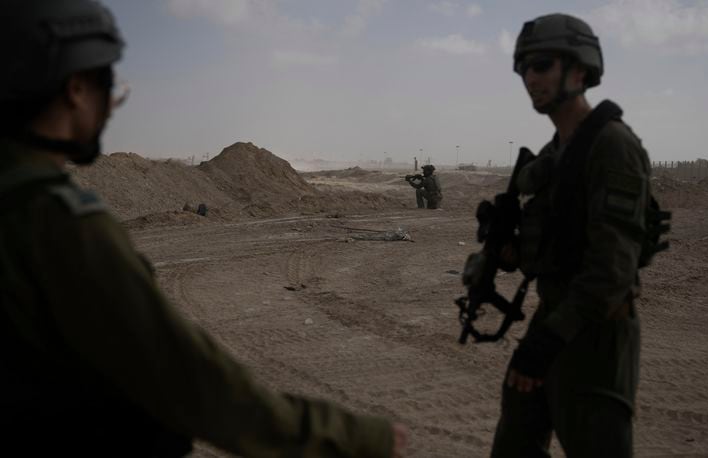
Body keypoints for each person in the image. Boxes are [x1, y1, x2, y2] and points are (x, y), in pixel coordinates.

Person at [0, 1, 406, 456]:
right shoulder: (57, 223)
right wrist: (353, 438)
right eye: (108, 89)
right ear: (75, 89)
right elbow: (189, 381)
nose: (111, 109)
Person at [490, 13, 658, 457]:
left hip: (597, 334)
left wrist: (547, 341)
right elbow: (558, 246)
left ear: (580, 70)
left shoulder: (612, 146)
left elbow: (612, 271)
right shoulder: (556, 152)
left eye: (542, 64)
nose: (530, 77)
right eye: (524, 67)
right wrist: (510, 247)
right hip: (556, 316)